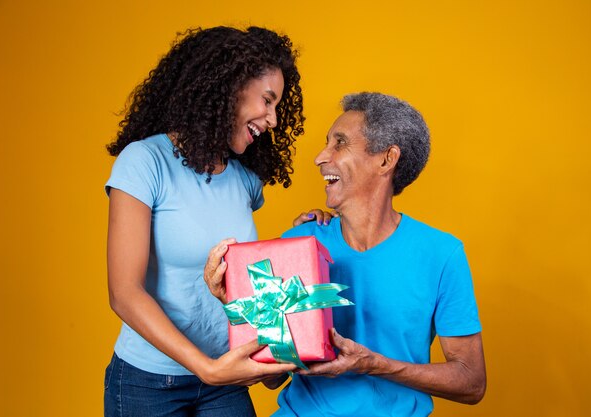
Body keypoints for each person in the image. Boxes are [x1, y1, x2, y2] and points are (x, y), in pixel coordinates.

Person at [206, 92, 486, 416]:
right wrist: (238, 302)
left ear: (386, 159)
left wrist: (374, 364)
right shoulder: (300, 242)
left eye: (339, 143)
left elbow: (471, 382)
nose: (320, 156)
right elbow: (271, 378)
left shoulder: (441, 254)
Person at [104, 26, 323, 417]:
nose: (273, 119)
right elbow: (124, 292)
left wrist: (300, 238)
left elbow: (245, 274)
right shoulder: (144, 162)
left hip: (225, 378)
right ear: (228, 87)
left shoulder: (244, 180)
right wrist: (207, 368)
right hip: (150, 381)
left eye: (277, 107)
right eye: (267, 100)